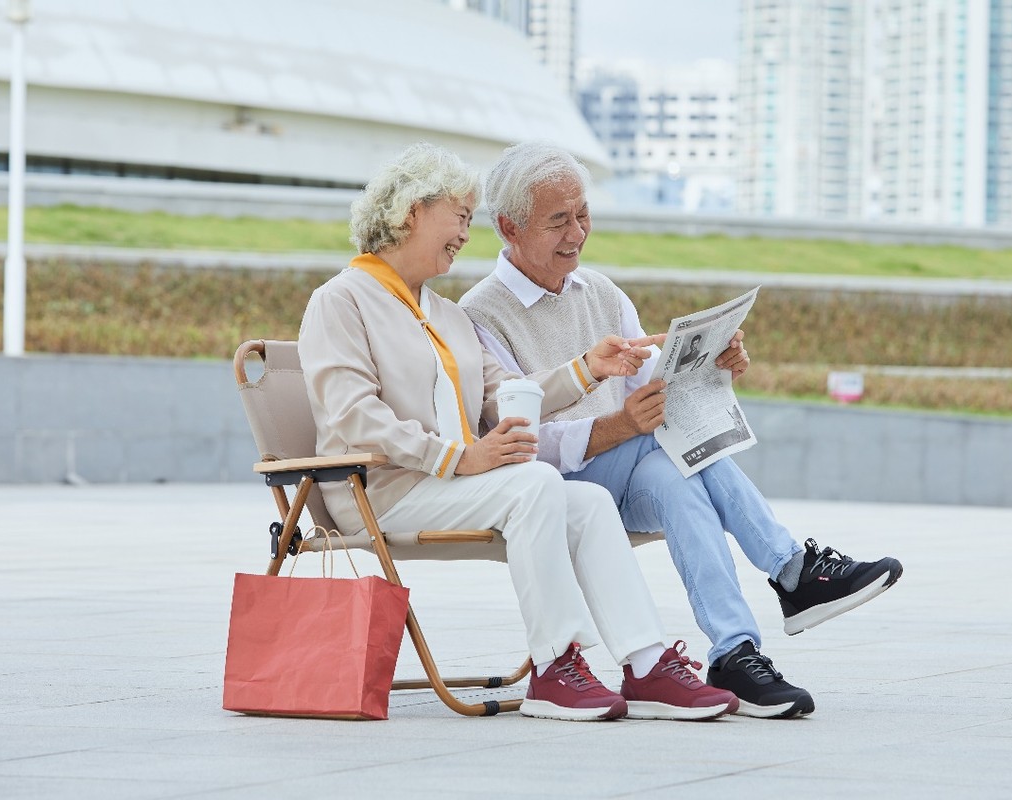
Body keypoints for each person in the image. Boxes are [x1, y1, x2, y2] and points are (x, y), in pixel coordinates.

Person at [460, 142, 904, 720]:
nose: (578, 232)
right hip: (554, 491)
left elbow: (659, 388)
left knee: (676, 473)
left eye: (584, 214)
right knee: (662, 450)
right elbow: (514, 441)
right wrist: (619, 426)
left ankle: (735, 652)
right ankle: (793, 573)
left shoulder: (601, 293)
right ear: (509, 227)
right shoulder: (480, 314)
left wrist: (714, 365)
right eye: (558, 221)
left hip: (631, 476)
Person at [298, 142, 738, 722]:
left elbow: (508, 394)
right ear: (412, 212)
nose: (465, 234)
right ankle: (556, 666)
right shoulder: (341, 301)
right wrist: (458, 456)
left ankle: (646, 663)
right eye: (457, 217)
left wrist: (589, 367)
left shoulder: (445, 314)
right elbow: (354, 416)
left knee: (587, 501)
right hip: (381, 492)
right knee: (534, 484)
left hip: (447, 485)